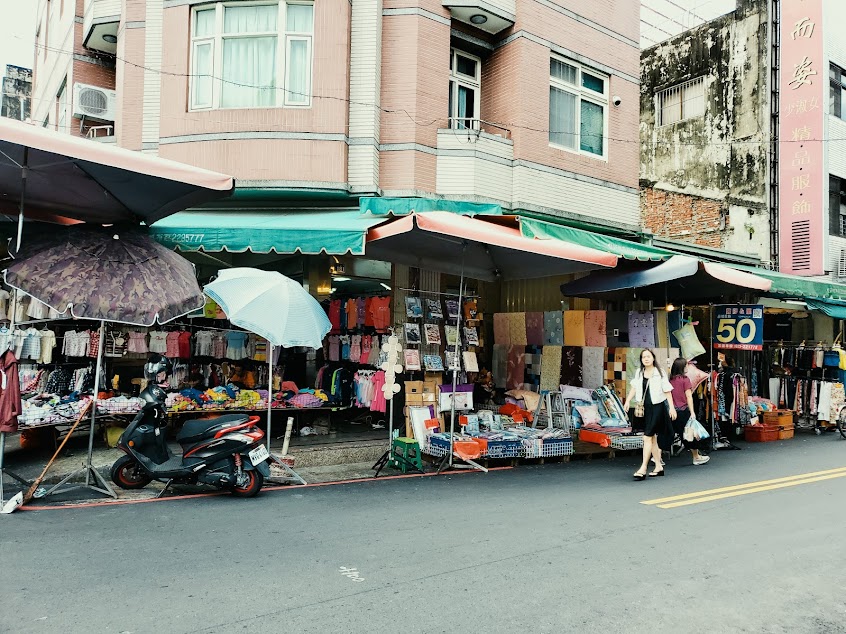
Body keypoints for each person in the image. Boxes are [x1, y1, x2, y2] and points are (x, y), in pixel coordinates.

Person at [623, 348, 676, 480]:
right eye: (643, 357)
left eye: (648, 356)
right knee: (651, 438)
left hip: (657, 407)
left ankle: (643, 468)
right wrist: (628, 401)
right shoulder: (639, 372)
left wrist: (671, 408)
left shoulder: (659, 372)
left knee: (647, 437)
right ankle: (658, 466)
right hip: (644, 408)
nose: (646, 359)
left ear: (653, 358)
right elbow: (634, 387)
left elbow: (667, 390)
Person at [669, 358, 710, 466]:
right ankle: (696, 457)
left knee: (667, 434)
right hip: (682, 410)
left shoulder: (670, 380)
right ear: (682, 367)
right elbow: (688, 397)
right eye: (686, 365)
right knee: (689, 434)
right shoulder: (685, 379)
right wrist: (692, 412)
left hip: (671, 411)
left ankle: (657, 458)